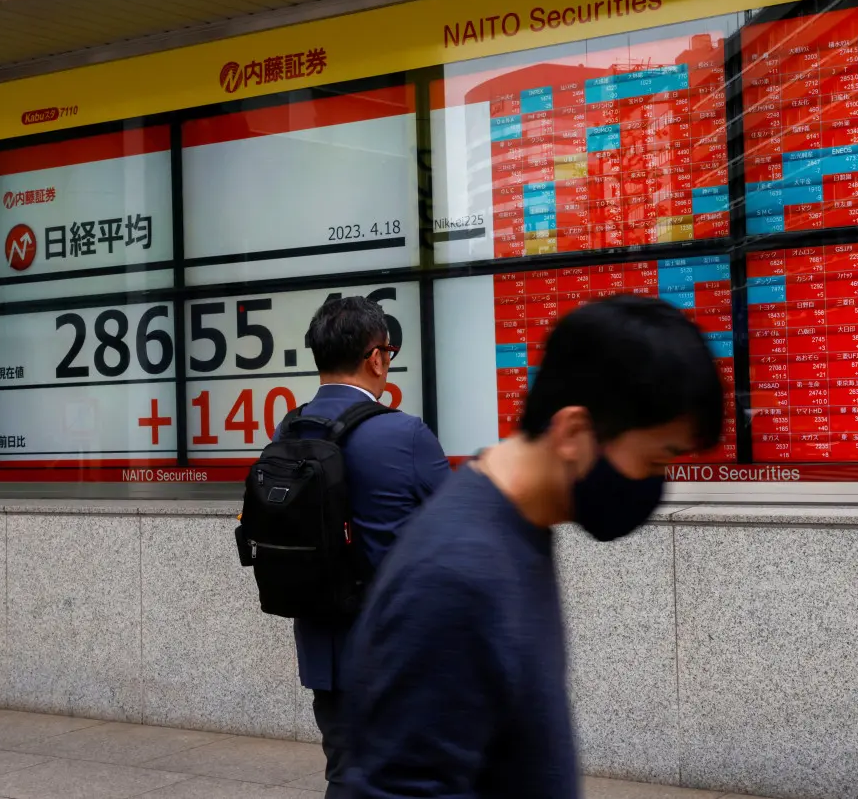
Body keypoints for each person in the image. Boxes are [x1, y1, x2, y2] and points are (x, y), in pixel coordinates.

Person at [341, 294, 724, 799]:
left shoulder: (518, 524)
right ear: (574, 432)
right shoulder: (455, 575)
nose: (659, 482)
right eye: (656, 461)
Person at [289, 295, 451, 798]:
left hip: (323, 651)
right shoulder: (406, 434)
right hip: (398, 652)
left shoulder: (289, 430)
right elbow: (456, 534)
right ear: (376, 357)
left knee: (345, 772)